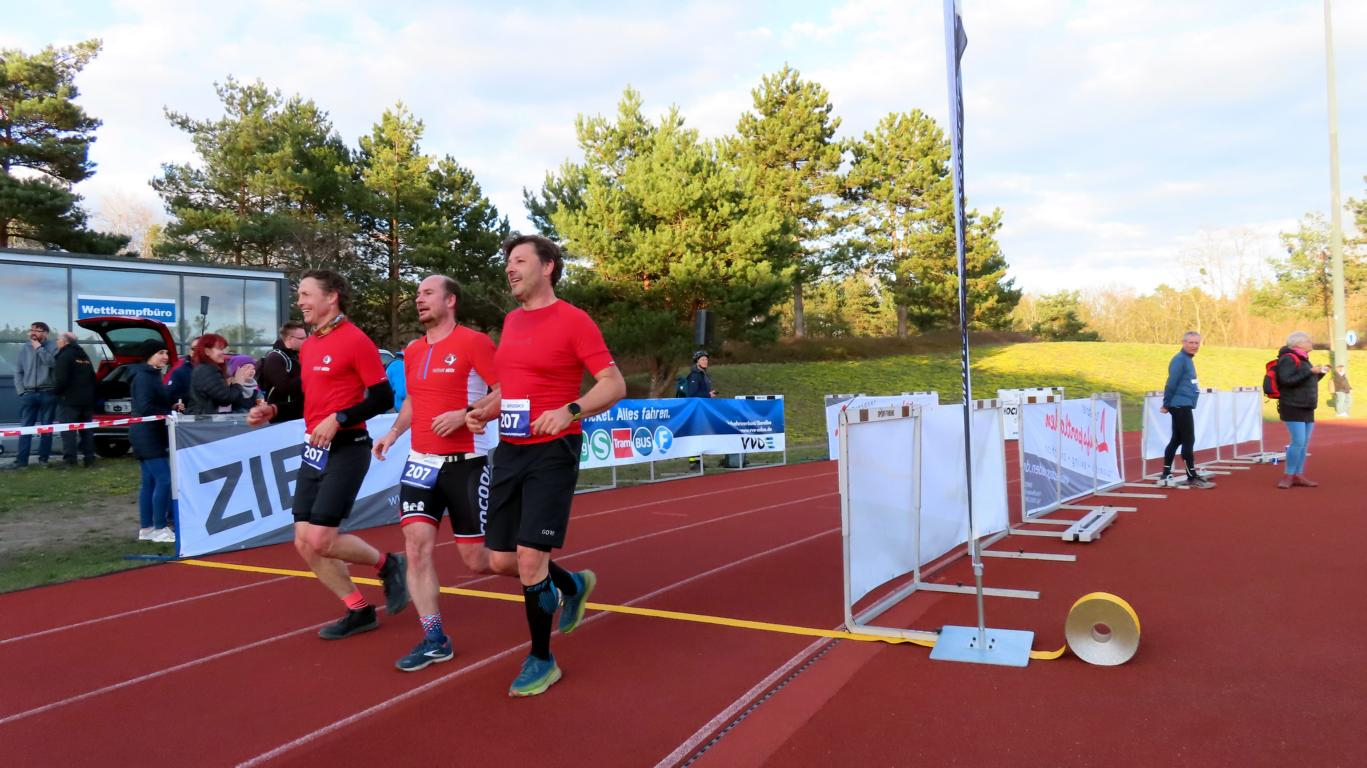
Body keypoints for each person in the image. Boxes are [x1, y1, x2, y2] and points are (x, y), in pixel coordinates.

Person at [466, 234, 626, 697]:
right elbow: (512, 388)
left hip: (553, 450)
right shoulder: (512, 321)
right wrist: (485, 410)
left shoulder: (574, 320)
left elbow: (613, 384)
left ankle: (542, 658)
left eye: (519, 260)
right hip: (510, 450)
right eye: (508, 262)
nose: (510, 269)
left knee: (531, 558)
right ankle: (572, 585)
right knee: (500, 560)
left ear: (548, 266)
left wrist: (570, 410)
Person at [246, 270, 408, 640]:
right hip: (314, 450)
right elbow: (309, 400)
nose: (300, 301)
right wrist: (273, 410)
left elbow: (382, 397)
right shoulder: (311, 345)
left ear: (331, 296)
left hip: (348, 447)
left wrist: (340, 418)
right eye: (299, 295)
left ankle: (389, 564)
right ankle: (359, 610)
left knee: (322, 538)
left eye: (306, 294)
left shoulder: (355, 340)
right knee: (304, 540)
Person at [373, 275, 498, 672]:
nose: (419, 299)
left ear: (451, 300)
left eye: (428, 293)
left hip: (466, 462)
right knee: (415, 547)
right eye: (417, 294)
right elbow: (413, 399)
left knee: (476, 560)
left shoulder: (474, 342)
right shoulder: (412, 350)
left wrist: (466, 414)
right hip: (421, 462)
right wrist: (393, 433)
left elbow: (506, 390)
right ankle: (435, 638)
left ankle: (550, 577)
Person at [129, 340, 176, 543]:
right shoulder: (143, 377)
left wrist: (171, 407)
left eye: (166, 352)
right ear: (149, 355)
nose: (165, 356)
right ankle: (159, 527)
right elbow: (145, 407)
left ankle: (146, 528)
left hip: (150, 434)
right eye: (160, 352)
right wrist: (168, 413)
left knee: (149, 482)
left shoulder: (153, 375)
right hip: (147, 436)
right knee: (164, 480)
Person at [1157, 331, 1215, 489]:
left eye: (1197, 343)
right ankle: (1191, 476)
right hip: (1180, 406)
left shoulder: (1187, 359)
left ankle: (1166, 473)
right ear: (1183, 343)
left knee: (1177, 439)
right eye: (1191, 342)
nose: (1194, 346)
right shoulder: (1180, 360)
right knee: (1189, 440)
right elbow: (1171, 383)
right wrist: (1166, 403)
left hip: (1183, 404)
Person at [1274, 331, 1328, 489]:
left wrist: (1320, 374)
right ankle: (1288, 475)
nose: (1311, 342)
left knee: (1304, 443)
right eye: (1308, 340)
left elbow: (1305, 381)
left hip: (1307, 406)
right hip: (1293, 405)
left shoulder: (1304, 359)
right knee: (1298, 442)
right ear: (1298, 343)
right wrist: (1310, 372)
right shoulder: (1288, 358)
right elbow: (1286, 380)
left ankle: (1298, 474)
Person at [7, 321, 57, 469]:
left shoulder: (53, 347)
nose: (33, 333)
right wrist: (21, 391)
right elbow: (18, 371)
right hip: (28, 394)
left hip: (47, 392)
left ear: (45, 333)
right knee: (25, 428)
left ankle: (43, 460)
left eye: (38, 330)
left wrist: (39, 348)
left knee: (46, 428)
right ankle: (22, 461)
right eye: (32, 330)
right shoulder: (24, 348)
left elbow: (52, 364)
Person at [52, 332, 97, 468]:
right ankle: (89, 459)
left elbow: (61, 379)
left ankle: (70, 460)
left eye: (58, 339)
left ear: (65, 342)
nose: (56, 342)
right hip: (87, 401)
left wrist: (56, 393)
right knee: (86, 431)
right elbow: (92, 377)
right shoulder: (84, 355)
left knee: (68, 432)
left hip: (69, 400)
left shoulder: (64, 356)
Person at [186, 334, 257, 415]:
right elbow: (225, 399)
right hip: (203, 419)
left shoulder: (205, 368)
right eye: (219, 348)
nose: (223, 352)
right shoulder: (208, 370)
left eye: (223, 349)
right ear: (207, 351)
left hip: (203, 417)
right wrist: (238, 384)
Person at [258, 322, 307, 423]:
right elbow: (285, 387)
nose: (306, 341)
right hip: (281, 418)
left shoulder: (295, 356)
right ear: (289, 339)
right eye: (302, 338)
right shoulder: (275, 358)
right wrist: (309, 376)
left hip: (297, 415)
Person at [385, 348, 407, 412]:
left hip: (394, 409)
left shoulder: (397, 363)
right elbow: (402, 393)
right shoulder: (400, 365)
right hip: (398, 411)